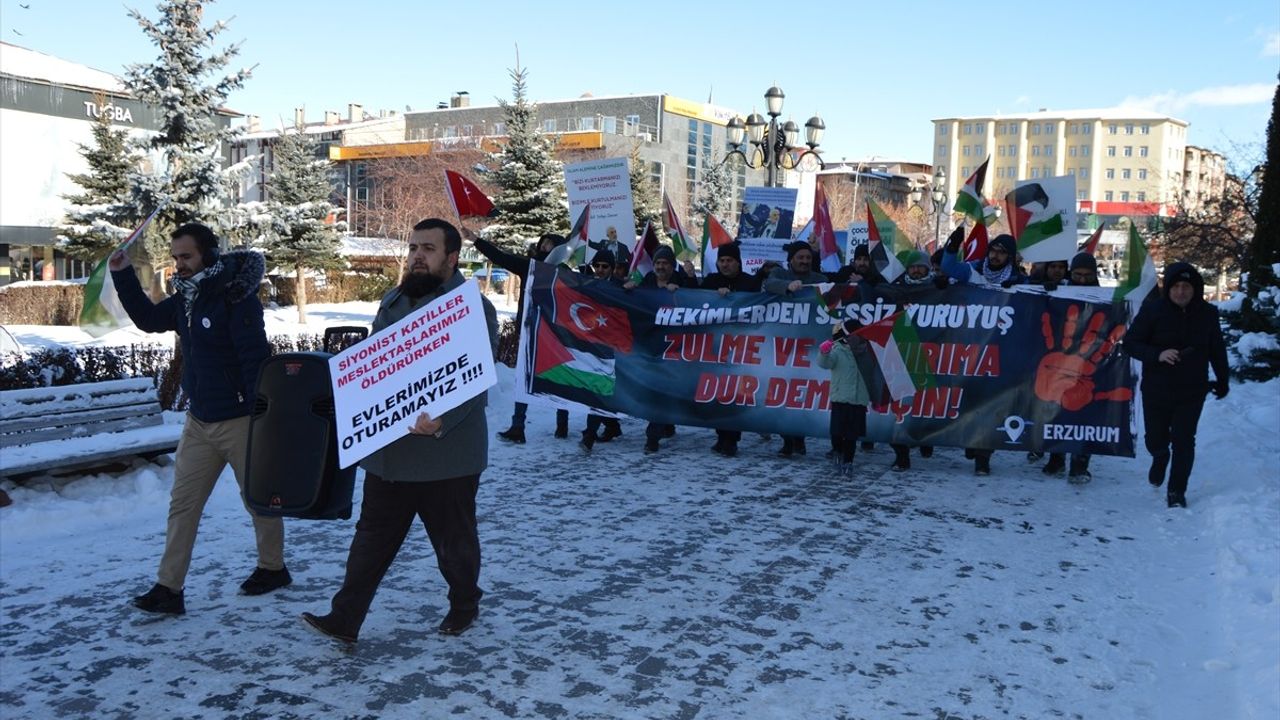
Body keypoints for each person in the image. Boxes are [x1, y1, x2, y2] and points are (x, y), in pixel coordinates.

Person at [304, 218, 499, 643]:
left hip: (447, 457)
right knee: (370, 543)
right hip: (390, 455)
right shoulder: (393, 300)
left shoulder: (472, 307)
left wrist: (442, 420)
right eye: (413, 247)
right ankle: (345, 618)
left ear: (451, 257)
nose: (416, 256)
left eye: (427, 249)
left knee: (454, 545)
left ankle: (465, 604)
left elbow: (475, 379)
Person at [109, 223, 286, 615]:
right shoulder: (186, 298)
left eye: (186, 256)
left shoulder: (234, 297)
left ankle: (273, 568)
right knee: (182, 505)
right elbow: (150, 320)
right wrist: (123, 274)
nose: (179, 265)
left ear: (208, 254)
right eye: (175, 258)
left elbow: (255, 358)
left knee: (257, 500)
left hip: (239, 418)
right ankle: (169, 589)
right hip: (200, 420)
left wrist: (260, 412)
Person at [1124, 261, 1229, 508]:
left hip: (1192, 389)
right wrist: (1157, 354)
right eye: (1176, 286)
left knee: (1184, 439)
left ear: (1195, 289)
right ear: (1168, 288)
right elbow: (1130, 343)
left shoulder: (1207, 314)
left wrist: (1223, 379)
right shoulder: (1153, 311)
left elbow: (1217, 349)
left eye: (1187, 286)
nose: (1181, 291)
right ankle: (1160, 456)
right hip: (1156, 388)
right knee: (1155, 438)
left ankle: (1176, 491)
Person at [470, 230, 570, 444]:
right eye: (543, 243)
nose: (545, 248)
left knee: (559, 377)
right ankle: (518, 426)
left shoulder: (565, 272)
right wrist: (476, 240)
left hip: (555, 333)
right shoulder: (530, 267)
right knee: (523, 378)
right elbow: (501, 257)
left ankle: (562, 423)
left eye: (551, 245)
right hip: (530, 329)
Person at [1040, 252, 1102, 482]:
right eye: (1077, 275)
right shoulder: (1060, 290)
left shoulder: (1104, 296)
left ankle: (1080, 465)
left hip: (1090, 362)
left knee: (1085, 415)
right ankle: (1056, 458)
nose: (1082, 280)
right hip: (1061, 359)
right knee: (1058, 411)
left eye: (1087, 275)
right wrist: (1046, 290)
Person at [625, 245, 694, 452]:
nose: (660, 266)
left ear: (673, 266)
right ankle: (660, 428)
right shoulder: (646, 283)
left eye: (665, 263)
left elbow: (697, 300)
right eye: (657, 263)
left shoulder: (680, 283)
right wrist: (627, 289)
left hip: (676, 345)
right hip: (651, 344)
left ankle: (654, 434)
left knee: (664, 388)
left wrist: (685, 286)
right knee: (656, 389)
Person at [763, 241, 828, 457]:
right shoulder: (780, 273)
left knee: (802, 393)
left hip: (809, 346)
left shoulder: (819, 280)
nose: (805, 261)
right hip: (784, 345)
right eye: (800, 257)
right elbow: (769, 283)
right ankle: (788, 440)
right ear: (791, 259)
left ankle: (798, 439)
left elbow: (831, 290)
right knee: (783, 394)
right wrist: (786, 287)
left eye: (808, 258)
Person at [700, 242, 757, 457]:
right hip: (716, 347)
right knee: (718, 393)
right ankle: (721, 436)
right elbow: (694, 300)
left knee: (735, 393)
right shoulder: (711, 281)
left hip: (742, 346)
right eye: (722, 261)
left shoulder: (749, 283)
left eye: (729, 261)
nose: (725, 265)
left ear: (738, 262)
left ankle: (731, 439)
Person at [579, 250, 624, 452]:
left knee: (602, 388)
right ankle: (611, 426)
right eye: (597, 266)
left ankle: (590, 433)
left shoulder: (620, 287)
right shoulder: (587, 284)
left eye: (605, 266)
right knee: (598, 389)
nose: (600, 270)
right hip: (593, 345)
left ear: (612, 269)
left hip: (613, 347)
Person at [817, 319, 872, 476]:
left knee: (851, 435)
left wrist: (875, 395)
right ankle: (837, 452)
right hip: (840, 398)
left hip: (858, 399)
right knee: (837, 432)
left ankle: (848, 461)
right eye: (854, 333)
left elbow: (873, 374)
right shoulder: (838, 350)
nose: (857, 337)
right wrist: (823, 353)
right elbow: (825, 363)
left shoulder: (867, 351)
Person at [941, 232, 1028, 288]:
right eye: (993, 250)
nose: (995, 255)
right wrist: (952, 247)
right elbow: (948, 268)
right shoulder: (974, 270)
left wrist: (1016, 291)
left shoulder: (1017, 280)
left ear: (1009, 256)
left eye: (1001, 252)